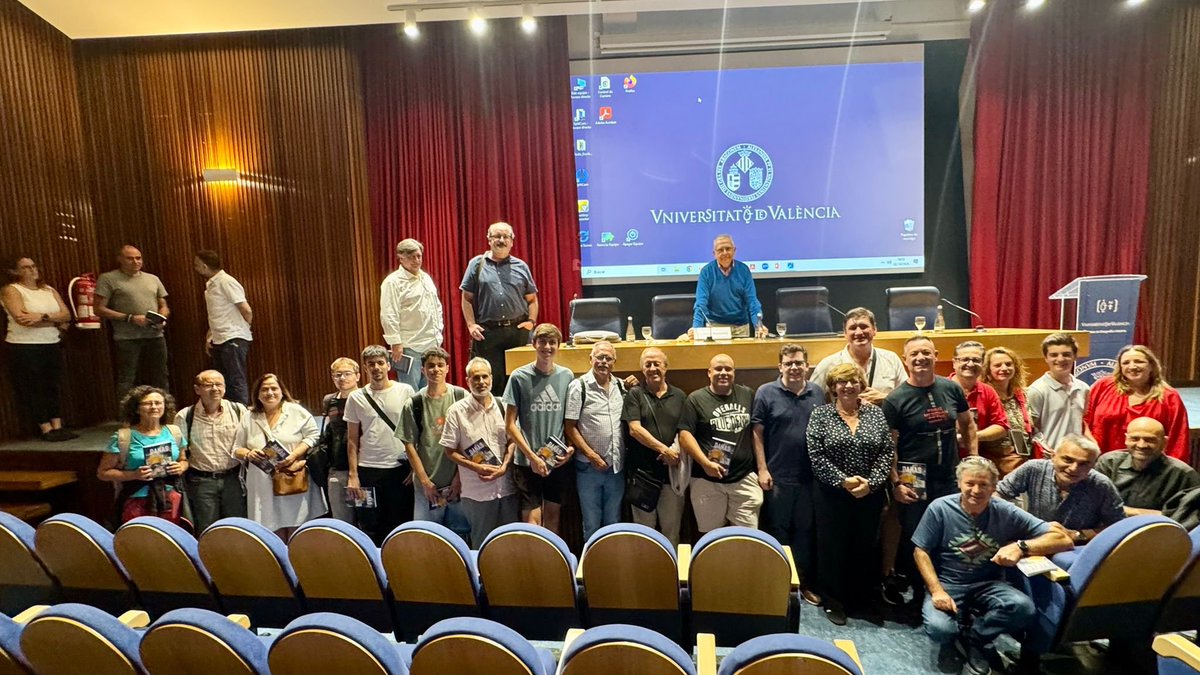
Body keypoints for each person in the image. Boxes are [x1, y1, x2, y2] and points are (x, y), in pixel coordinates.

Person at [913, 456, 1073, 675]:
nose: (976, 490)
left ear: (994, 487)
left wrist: (1021, 547)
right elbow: (921, 551)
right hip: (949, 584)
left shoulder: (1005, 510)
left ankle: (977, 637)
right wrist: (936, 590)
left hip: (988, 583)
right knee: (940, 630)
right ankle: (960, 626)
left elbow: (1063, 540)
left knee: (1023, 608)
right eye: (970, 483)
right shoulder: (940, 508)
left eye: (984, 485)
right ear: (959, 483)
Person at [881, 336, 976, 607]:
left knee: (950, 533)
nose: (920, 358)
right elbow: (891, 445)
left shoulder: (952, 388)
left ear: (936, 355)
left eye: (926, 353)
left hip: (949, 476)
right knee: (917, 537)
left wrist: (975, 461)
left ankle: (948, 588)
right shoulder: (895, 399)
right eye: (914, 354)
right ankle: (920, 594)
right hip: (914, 480)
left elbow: (967, 425)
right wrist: (896, 483)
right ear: (905, 359)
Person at [807, 363, 893, 624]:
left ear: (861, 385)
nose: (847, 386)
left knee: (864, 546)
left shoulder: (876, 414)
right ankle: (833, 600)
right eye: (841, 382)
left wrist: (872, 483)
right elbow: (815, 454)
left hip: (869, 494)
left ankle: (860, 599)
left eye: (853, 381)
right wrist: (843, 481)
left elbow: (887, 451)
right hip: (831, 494)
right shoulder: (821, 415)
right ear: (833, 387)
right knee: (832, 547)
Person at [751, 344, 823, 608]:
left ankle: (802, 583)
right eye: (789, 363)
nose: (794, 367)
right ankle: (781, 583)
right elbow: (757, 432)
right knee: (777, 530)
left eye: (799, 363)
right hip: (777, 476)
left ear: (807, 366)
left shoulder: (817, 392)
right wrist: (762, 468)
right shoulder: (766, 393)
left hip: (809, 478)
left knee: (804, 531)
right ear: (780, 366)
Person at [502, 323, 575, 533]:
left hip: (556, 461)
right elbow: (510, 425)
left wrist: (570, 448)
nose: (547, 347)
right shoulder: (519, 377)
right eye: (542, 342)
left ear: (558, 346)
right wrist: (532, 457)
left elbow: (570, 420)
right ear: (534, 344)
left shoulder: (567, 376)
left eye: (552, 342)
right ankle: (533, 563)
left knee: (553, 516)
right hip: (527, 462)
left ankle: (553, 563)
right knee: (531, 521)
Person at [233, 373, 325, 539]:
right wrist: (249, 453)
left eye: (274, 388)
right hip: (262, 482)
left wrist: (294, 455)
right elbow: (236, 449)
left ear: (282, 391)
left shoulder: (296, 411)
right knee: (270, 531)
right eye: (264, 389)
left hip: (291, 477)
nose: (270, 393)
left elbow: (314, 436)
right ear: (257, 394)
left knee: (296, 529)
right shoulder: (249, 417)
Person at [678, 354, 762, 532]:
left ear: (734, 373)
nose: (723, 373)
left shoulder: (747, 394)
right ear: (709, 373)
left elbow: (757, 431)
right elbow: (685, 435)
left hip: (743, 478)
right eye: (718, 369)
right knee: (712, 538)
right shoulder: (695, 399)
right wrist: (705, 462)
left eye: (728, 369)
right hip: (707, 481)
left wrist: (761, 469)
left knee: (747, 539)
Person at [441, 357, 519, 547]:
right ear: (467, 381)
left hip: (507, 488)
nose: (481, 382)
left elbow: (512, 441)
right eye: (476, 378)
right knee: (483, 545)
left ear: (491, 378)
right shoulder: (456, 411)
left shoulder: (503, 406)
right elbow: (449, 451)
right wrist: (476, 467)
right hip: (477, 493)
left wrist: (504, 466)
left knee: (511, 543)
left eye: (485, 377)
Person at [344, 345, 416, 544]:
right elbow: (352, 439)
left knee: (401, 525)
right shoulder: (355, 397)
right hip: (367, 470)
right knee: (370, 526)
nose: (376, 368)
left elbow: (414, 432)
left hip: (399, 470)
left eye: (380, 363)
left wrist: (415, 467)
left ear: (388, 364)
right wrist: (353, 475)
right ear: (365, 368)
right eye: (371, 364)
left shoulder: (405, 390)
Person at [996, 434, 1124, 544]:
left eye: (1083, 464)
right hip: (1036, 541)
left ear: (1093, 465)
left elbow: (1118, 527)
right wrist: (1018, 522)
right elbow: (997, 495)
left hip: (1078, 548)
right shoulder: (1033, 469)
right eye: (1067, 460)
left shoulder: (1101, 484)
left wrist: (1077, 535)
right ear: (1053, 456)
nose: (1073, 468)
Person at [399, 347, 470, 539]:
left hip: (458, 482)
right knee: (427, 537)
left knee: (461, 535)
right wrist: (425, 482)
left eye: (440, 365)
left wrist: (459, 477)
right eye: (430, 366)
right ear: (422, 370)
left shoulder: (461, 396)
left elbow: (468, 441)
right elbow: (409, 445)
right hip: (427, 485)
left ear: (448, 368)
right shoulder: (414, 403)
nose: (435, 370)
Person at [1, 256, 75, 441]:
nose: (32, 270)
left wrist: (41, 317)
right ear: (14, 271)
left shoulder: (48, 289)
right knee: (34, 387)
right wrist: (52, 319)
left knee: (53, 385)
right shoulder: (12, 290)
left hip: (51, 342)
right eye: (25, 267)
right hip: (25, 345)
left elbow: (66, 315)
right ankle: (45, 427)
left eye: (33, 266)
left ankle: (57, 425)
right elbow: (22, 319)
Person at [460, 221, 538, 395]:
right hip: (488, 334)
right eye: (497, 236)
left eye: (506, 236)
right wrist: (471, 325)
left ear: (512, 241)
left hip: (518, 333)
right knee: (491, 385)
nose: (501, 240)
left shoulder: (521, 266)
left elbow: (532, 299)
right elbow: (466, 298)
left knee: (521, 384)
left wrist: (531, 322)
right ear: (488, 239)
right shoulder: (476, 264)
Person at [97, 386, 189, 527]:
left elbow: (184, 460)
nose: (154, 407)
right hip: (136, 500)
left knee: (169, 542)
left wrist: (181, 467)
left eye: (158, 403)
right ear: (136, 408)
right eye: (147, 403)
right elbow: (103, 473)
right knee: (140, 542)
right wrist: (134, 474)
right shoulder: (123, 437)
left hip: (170, 498)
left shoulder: (174, 432)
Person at [623, 347, 687, 546]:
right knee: (645, 536)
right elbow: (634, 429)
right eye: (647, 365)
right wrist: (664, 450)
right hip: (643, 476)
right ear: (642, 369)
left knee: (672, 533)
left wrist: (674, 452)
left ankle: (673, 576)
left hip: (672, 476)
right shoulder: (635, 395)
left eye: (656, 364)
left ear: (666, 368)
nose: (652, 368)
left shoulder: (680, 396)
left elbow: (685, 432)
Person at [1085, 345, 1191, 462]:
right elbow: (1084, 420)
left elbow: (1178, 438)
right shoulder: (1103, 386)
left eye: (1139, 361)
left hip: (1149, 468)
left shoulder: (1169, 397)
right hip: (1103, 463)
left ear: (1151, 366)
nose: (1132, 366)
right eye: (1126, 363)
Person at [565, 341, 626, 542]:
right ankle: (592, 570)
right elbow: (570, 427)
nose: (603, 362)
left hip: (616, 467)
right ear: (590, 359)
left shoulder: (621, 386)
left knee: (614, 522)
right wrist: (591, 455)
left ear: (614, 362)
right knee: (591, 523)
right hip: (588, 468)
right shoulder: (578, 386)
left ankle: (612, 566)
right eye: (599, 357)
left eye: (608, 358)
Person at [175, 370, 248, 533]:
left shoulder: (238, 410)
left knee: (239, 527)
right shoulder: (185, 416)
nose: (215, 388)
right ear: (197, 389)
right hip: (202, 481)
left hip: (234, 479)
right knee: (207, 529)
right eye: (209, 385)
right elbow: (181, 453)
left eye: (219, 384)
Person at [94, 245, 170, 401]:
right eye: (130, 258)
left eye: (138, 258)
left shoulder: (152, 278)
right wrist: (130, 318)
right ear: (120, 259)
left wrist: (162, 318)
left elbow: (163, 305)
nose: (136, 261)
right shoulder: (108, 278)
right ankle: (126, 419)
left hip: (155, 335)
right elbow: (99, 309)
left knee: (160, 375)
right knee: (127, 378)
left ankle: (164, 415)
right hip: (127, 338)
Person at [1095, 417, 1200, 515]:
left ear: (1164, 442)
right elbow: (1094, 503)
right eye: (1135, 439)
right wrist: (1155, 514)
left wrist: (1123, 511)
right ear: (1126, 439)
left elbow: (1187, 516)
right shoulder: (1109, 463)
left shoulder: (1183, 474)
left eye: (1150, 440)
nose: (1141, 445)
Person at [380, 239, 443, 390]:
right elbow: (389, 314)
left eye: (418, 256)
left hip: (431, 343)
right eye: (411, 257)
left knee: (431, 388)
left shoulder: (425, 278)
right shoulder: (393, 282)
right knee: (410, 390)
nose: (416, 260)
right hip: (409, 345)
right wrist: (395, 342)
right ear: (401, 258)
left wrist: (439, 330)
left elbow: (436, 306)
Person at [809, 307, 906, 404]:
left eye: (864, 326)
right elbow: (812, 398)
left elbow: (906, 396)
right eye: (852, 328)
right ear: (845, 333)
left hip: (885, 417)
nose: (859, 332)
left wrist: (885, 398)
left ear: (874, 329)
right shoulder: (828, 364)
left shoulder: (891, 359)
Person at [193, 250, 253, 404]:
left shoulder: (226, 282)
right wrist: (210, 336)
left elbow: (246, 309)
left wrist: (242, 328)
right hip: (219, 338)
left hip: (233, 337)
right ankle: (227, 413)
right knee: (221, 380)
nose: (195, 268)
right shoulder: (211, 284)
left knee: (235, 379)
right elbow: (217, 315)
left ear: (205, 266)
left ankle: (241, 416)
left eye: (197, 265)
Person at [690, 235, 768, 338]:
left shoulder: (744, 270)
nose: (725, 253)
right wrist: (696, 328)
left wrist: (759, 325)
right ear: (714, 254)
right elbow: (701, 303)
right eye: (720, 250)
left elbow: (752, 301)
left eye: (728, 249)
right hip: (715, 328)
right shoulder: (706, 272)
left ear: (734, 250)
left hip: (740, 328)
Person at [1025, 333, 1090, 455]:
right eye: (1054, 355)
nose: (1060, 359)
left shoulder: (1083, 388)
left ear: (1075, 356)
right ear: (1046, 358)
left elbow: (1082, 422)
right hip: (1048, 459)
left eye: (1066, 354)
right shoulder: (1037, 390)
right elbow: (1030, 430)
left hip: (1076, 456)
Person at [949, 341, 1008, 466]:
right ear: (954, 363)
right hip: (944, 459)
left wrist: (973, 436)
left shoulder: (988, 391)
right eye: (965, 359)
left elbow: (1001, 426)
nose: (970, 364)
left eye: (976, 360)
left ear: (982, 364)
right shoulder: (940, 388)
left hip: (975, 461)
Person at [979, 346, 1033, 475]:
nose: (1004, 368)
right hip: (994, 464)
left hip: (1022, 459)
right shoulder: (984, 396)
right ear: (987, 370)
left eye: (1008, 364)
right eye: (997, 365)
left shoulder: (1022, 394)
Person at [318, 357, 359, 523]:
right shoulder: (329, 400)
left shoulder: (365, 397)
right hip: (337, 467)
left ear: (357, 376)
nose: (342, 378)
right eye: (337, 374)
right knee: (341, 521)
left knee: (365, 520)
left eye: (347, 374)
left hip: (361, 467)